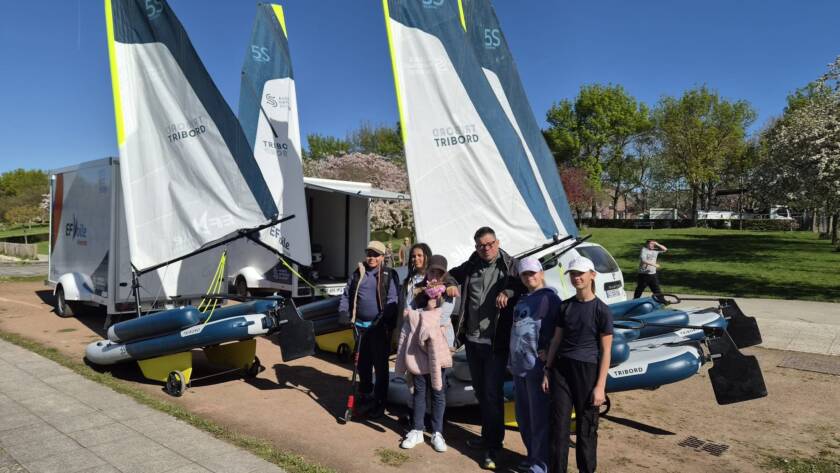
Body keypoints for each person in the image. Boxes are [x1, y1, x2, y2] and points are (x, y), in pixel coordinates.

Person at [450, 226, 524, 470]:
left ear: (497, 242)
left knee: (492, 394)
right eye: (481, 245)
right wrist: (450, 285)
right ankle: (487, 437)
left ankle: (494, 446)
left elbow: (526, 283)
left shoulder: (510, 265)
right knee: (481, 393)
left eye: (490, 243)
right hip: (472, 341)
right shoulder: (471, 265)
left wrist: (509, 290)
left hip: (496, 344)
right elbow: (450, 275)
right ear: (476, 247)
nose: (487, 248)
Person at [542, 257, 613, 473]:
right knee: (558, 428)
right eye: (573, 273)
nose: (577, 277)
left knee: (586, 428)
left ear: (592, 275)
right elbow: (556, 340)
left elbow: (606, 351)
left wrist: (600, 386)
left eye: (581, 273)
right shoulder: (565, 306)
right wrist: (547, 370)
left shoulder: (602, 310)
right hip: (562, 371)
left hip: (587, 372)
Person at [395, 255, 455, 452]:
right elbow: (407, 313)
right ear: (427, 271)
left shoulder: (449, 293)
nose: (435, 275)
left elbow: (442, 316)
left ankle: (438, 432)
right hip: (418, 349)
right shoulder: (418, 291)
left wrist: (421, 314)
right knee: (420, 389)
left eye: (439, 272)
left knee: (438, 390)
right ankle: (417, 429)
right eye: (432, 271)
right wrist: (423, 312)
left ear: (444, 274)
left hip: (440, 347)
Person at [508, 257, 560, 473]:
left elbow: (557, 331)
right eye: (525, 274)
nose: (530, 277)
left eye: (533, 273)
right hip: (519, 367)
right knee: (523, 416)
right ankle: (532, 455)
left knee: (539, 418)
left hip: (536, 367)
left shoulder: (550, 299)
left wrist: (548, 357)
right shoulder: (522, 300)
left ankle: (541, 464)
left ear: (541, 273)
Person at [338, 240, 399, 418]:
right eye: (369, 254)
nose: (371, 257)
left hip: (379, 328)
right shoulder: (358, 272)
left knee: (380, 367)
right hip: (359, 327)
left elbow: (393, 300)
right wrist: (343, 312)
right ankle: (365, 395)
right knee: (362, 365)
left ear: (382, 257)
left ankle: (379, 402)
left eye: (376, 254)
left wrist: (384, 318)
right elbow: (346, 293)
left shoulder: (388, 274)